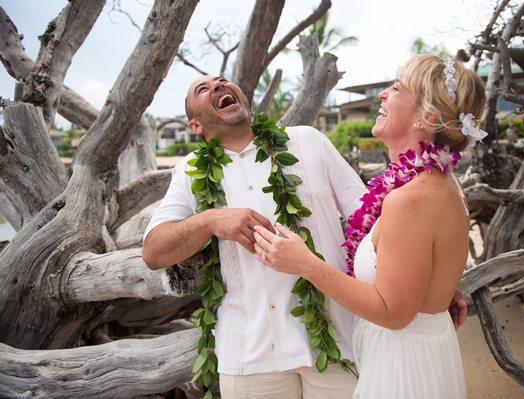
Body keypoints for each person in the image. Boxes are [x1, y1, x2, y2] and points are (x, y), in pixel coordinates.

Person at [142, 73, 468, 399]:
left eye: (223, 81)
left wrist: (430, 278)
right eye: (203, 88)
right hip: (249, 357)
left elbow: (373, 218)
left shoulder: (307, 141)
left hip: (335, 341)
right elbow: (154, 252)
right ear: (195, 125)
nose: (218, 86)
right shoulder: (190, 170)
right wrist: (210, 220)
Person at [253, 54, 486, 398]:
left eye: (396, 87)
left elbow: (393, 313)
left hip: (403, 369)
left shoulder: (411, 199)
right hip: (417, 352)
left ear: (427, 116)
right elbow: (424, 263)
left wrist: (305, 263)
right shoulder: (439, 183)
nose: (382, 95)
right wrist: (435, 289)